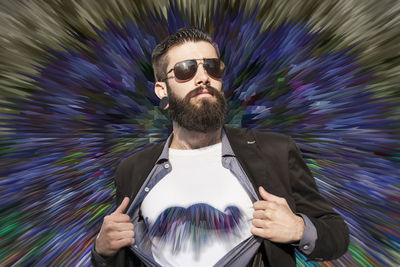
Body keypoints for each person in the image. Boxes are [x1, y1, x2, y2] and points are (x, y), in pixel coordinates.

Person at [91, 27, 349, 267]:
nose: (203, 77)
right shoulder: (132, 169)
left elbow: (336, 235)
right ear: (162, 90)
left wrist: (298, 229)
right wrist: (102, 251)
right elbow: (122, 253)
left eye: (212, 67)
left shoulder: (275, 152)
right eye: (185, 69)